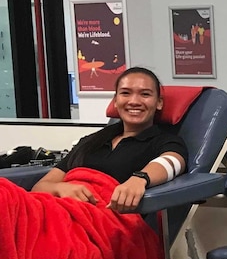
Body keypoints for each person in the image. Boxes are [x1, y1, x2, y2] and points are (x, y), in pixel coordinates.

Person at [33, 66, 188, 212]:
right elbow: (40, 187)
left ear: (159, 103)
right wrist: (61, 188)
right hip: (58, 208)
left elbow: (172, 162)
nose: (134, 101)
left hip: (100, 219)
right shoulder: (91, 141)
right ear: (115, 100)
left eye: (145, 94)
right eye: (125, 93)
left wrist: (140, 179)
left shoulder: (163, 141)